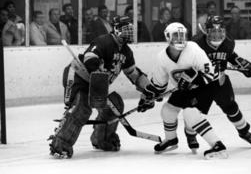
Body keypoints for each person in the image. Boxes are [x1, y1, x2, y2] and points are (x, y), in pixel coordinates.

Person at [48, 16, 151, 158]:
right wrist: (96, 68)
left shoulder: (126, 52)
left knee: (115, 104)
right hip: (79, 77)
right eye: (125, 29)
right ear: (115, 29)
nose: (128, 32)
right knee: (82, 108)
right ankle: (60, 144)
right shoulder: (104, 41)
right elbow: (90, 57)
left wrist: (149, 90)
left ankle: (102, 139)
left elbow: (134, 73)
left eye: (130, 30)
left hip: (98, 83)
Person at [137, 22, 228, 159]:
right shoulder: (162, 57)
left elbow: (210, 75)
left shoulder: (193, 49)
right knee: (167, 110)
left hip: (205, 87)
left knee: (190, 114)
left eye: (182, 35)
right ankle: (171, 139)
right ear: (167, 37)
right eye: (176, 36)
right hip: (183, 88)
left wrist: (193, 79)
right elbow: (159, 85)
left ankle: (217, 145)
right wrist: (148, 97)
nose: (180, 39)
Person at [185, 15, 251, 152]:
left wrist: (248, 67)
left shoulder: (228, 43)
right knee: (193, 112)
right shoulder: (196, 44)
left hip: (220, 81)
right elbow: (187, 63)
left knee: (231, 107)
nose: (217, 35)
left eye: (220, 31)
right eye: (213, 31)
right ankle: (190, 134)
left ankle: (244, 132)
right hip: (201, 84)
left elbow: (232, 57)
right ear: (206, 31)